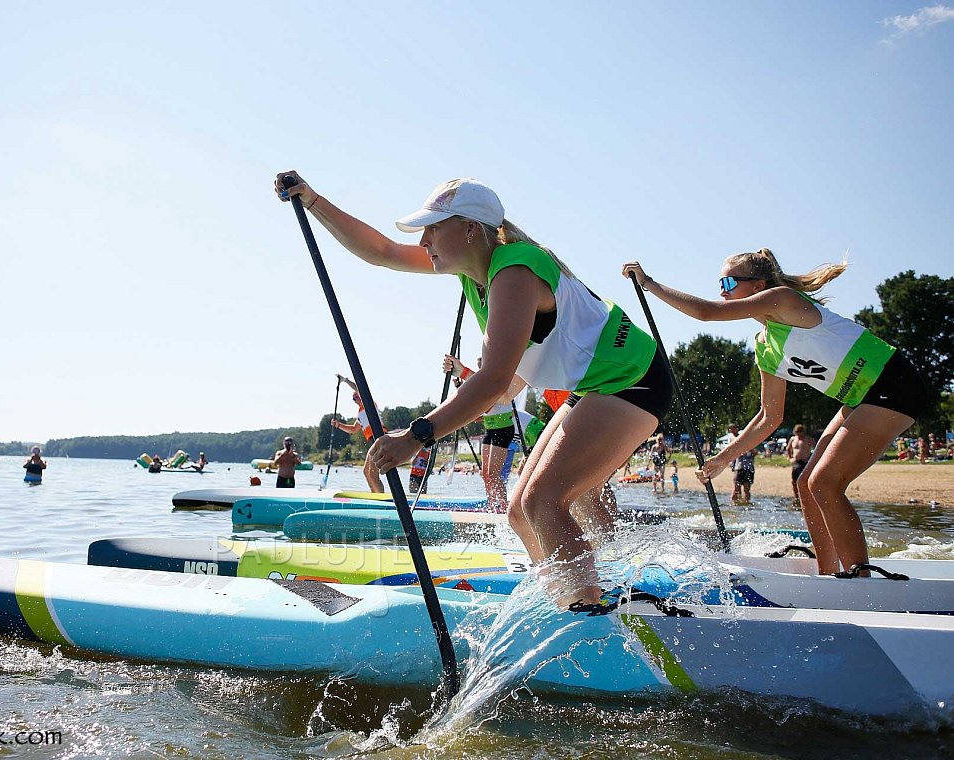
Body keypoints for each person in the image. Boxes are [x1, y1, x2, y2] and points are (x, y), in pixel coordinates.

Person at [277, 172, 672, 609]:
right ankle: (567, 601)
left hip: (634, 379)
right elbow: (383, 251)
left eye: (433, 227)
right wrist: (313, 201)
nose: (425, 240)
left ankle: (586, 613)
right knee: (519, 511)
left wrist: (414, 437)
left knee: (544, 501)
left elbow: (493, 382)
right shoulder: (473, 272)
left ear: (470, 229)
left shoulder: (515, 269)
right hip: (597, 386)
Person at [623, 248, 922, 576]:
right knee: (808, 483)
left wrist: (649, 283)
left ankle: (860, 582)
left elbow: (706, 313)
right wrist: (723, 458)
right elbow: (769, 416)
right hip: (858, 396)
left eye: (729, 280)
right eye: (720, 281)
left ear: (757, 285)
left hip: (894, 383)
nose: (722, 288)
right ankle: (828, 575)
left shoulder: (782, 298)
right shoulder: (765, 347)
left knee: (824, 482)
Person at [445, 355, 529, 512]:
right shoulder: (484, 384)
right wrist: (460, 388)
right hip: (490, 428)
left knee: (494, 473)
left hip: (503, 428)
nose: (481, 371)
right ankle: (492, 506)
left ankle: (503, 509)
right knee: (485, 474)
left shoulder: (499, 382)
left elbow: (487, 406)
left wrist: (466, 377)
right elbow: (478, 406)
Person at [331, 375, 386, 492]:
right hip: (373, 441)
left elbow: (359, 388)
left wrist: (345, 381)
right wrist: (338, 425)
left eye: (357, 396)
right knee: (366, 472)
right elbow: (353, 429)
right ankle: (374, 495)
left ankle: (380, 498)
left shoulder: (369, 404)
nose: (356, 399)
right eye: (354, 398)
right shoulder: (360, 414)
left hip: (379, 438)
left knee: (372, 472)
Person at [786, 424, 814, 500]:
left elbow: (816, 448)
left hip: (805, 461)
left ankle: (806, 496)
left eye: (799, 432)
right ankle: (796, 497)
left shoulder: (808, 439)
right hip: (796, 461)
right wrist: (790, 458)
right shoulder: (793, 439)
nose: (798, 433)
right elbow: (788, 449)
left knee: (805, 480)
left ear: (802, 432)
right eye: (796, 432)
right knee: (794, 480)